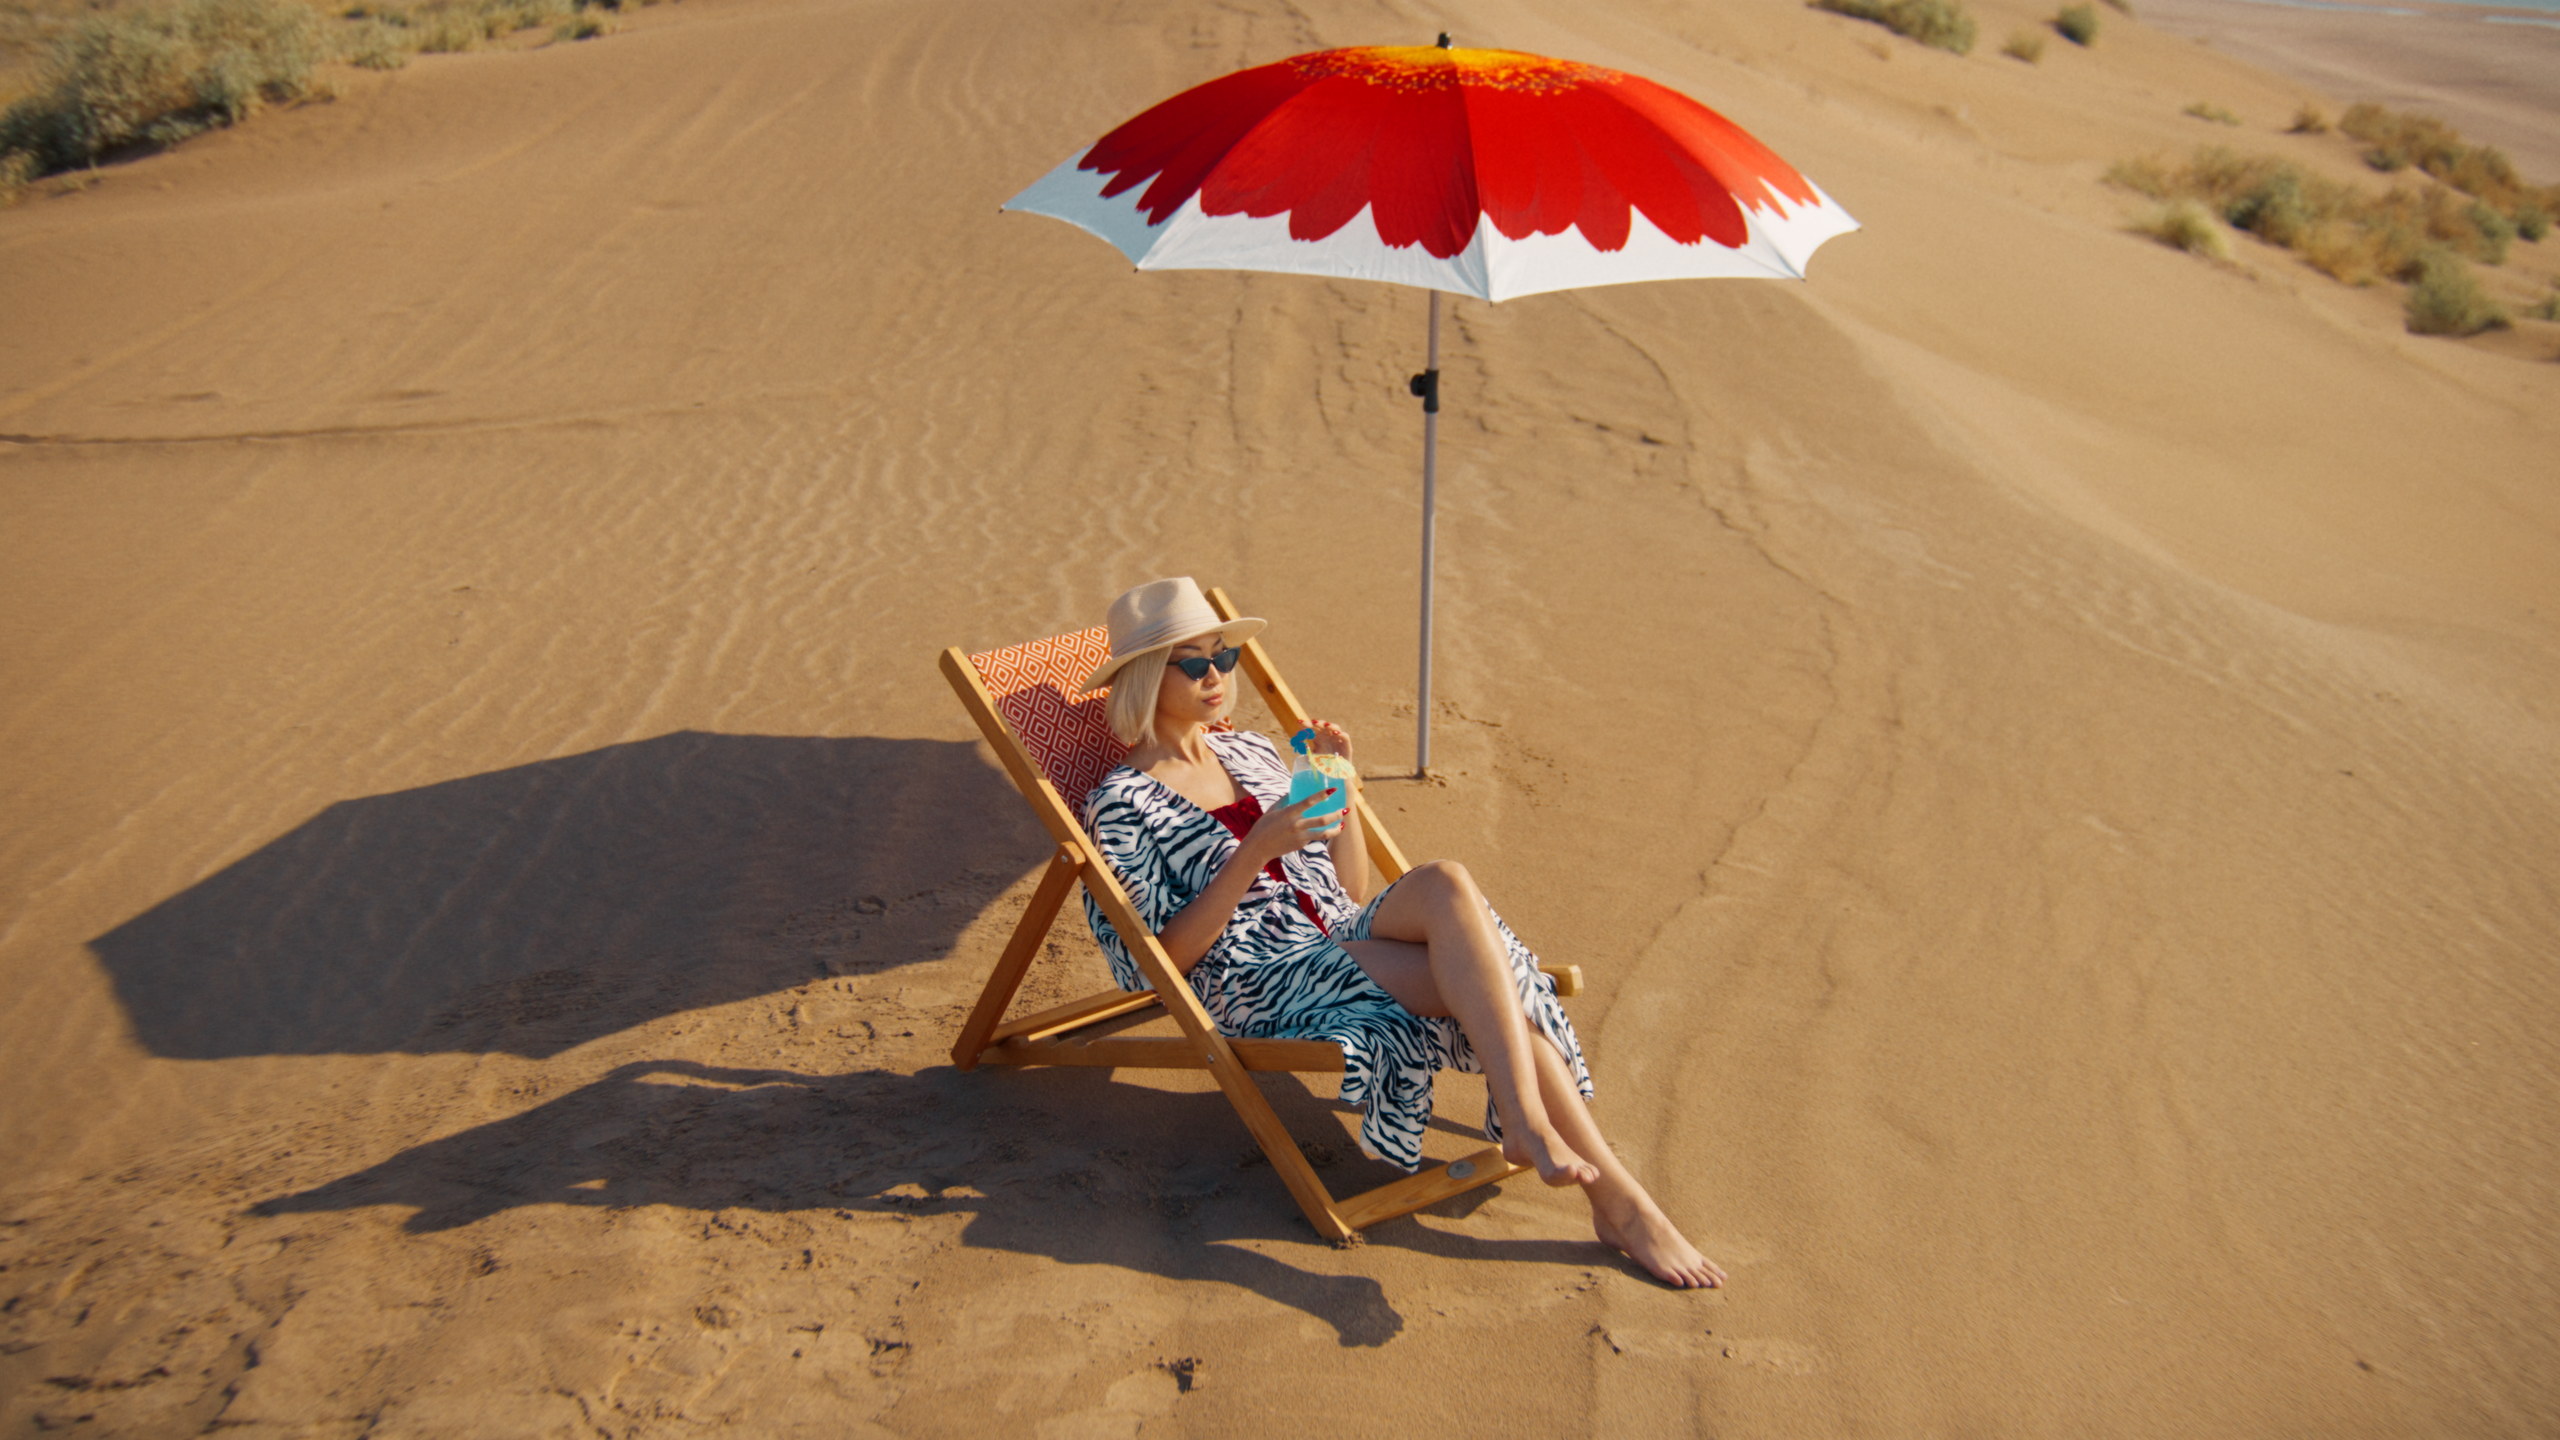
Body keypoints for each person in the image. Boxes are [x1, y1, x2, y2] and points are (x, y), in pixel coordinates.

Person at [1076, 577, 1723, 1289]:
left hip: (1337, 931)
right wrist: (1252, 853)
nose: (1216, 676)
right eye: (1193, 662)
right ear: (1145, 676)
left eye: (1223, 659)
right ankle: (1616, 1197)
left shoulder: (1252, 754)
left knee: (1445, 881)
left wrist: (1342, 796)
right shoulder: (1121, 804)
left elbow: (1347, 889)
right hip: (1259, 974)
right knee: (1492, 980)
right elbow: (1154, 967)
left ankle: (1530, 1124)